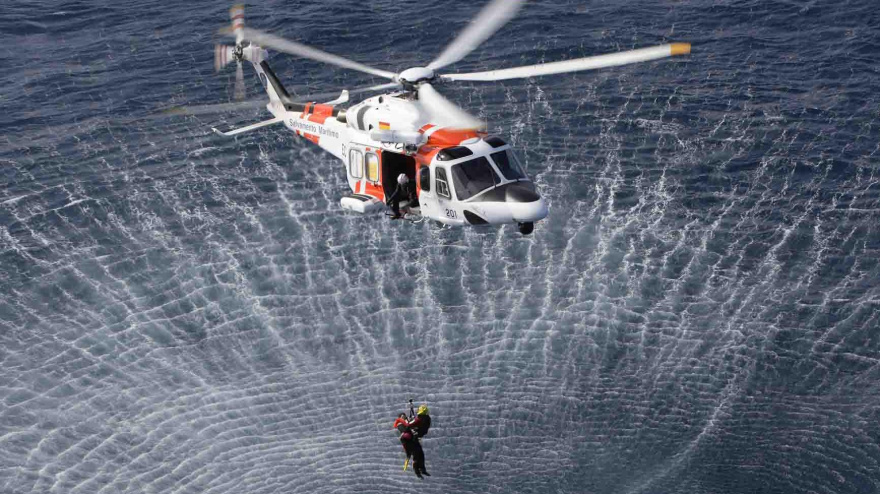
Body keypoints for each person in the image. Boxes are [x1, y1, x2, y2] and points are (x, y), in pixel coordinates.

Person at [407, 404, 431, 477]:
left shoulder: (419, 419)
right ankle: (422, 470)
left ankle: (418, 471)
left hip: (413, 439)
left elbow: (409, 424)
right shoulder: (427, 419)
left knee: (417, 455)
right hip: (415, 438)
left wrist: (410, 420)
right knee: (420, 455)